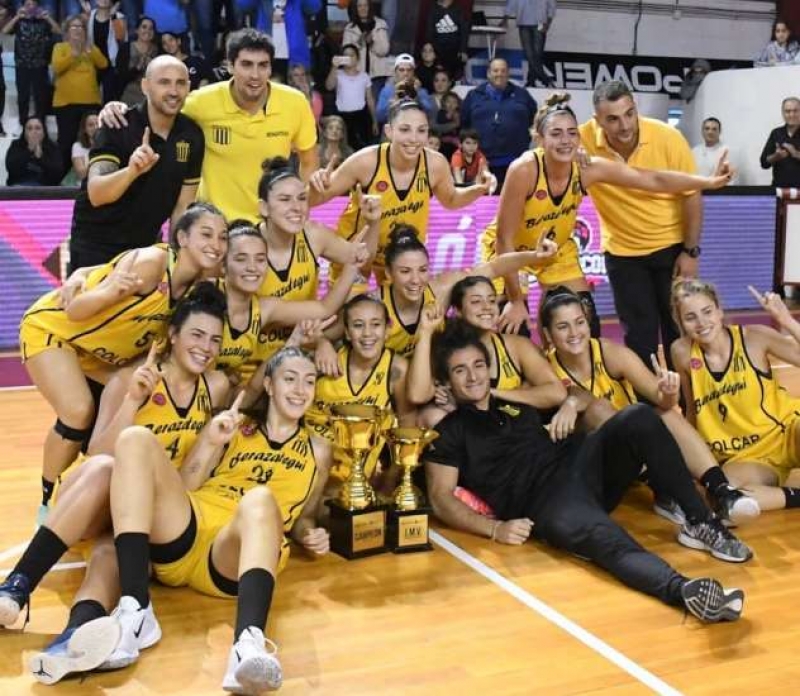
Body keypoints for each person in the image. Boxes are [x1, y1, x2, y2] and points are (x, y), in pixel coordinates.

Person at [424, 322, 750, 623]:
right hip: (547, 502)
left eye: (478, 366)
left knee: (638, 415)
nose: (472, 377)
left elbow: (576, 395)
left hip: (581, 465)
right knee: (611, 543)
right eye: (460, 371)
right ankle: (684, 591)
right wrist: (494, 529)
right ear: (446, 380)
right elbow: (440, 498)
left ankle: (701, 522)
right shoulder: (449, 431)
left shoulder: (515, 402)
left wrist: (568, 405)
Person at [0, 285, 230, 684]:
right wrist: (131, 403)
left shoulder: (218, 388)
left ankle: (47, 617)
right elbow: (98, 454)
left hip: (153, 518)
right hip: (105, 504)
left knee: (110, 549)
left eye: (214, 339)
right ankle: (36, 608)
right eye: (196, 334)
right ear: (172, 335)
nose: (205, 347)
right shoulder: (129, 379)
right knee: (107, 477)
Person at [82, 347, 330, 693]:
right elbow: (184, 486)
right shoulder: (234, 423)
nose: (300, 390)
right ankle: (136, 610)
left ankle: (247, 646)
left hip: (233, 556)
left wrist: (309, 533)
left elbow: (306, 515)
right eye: (290, 379)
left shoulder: (318, 449)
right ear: (270, 385)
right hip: (188, 531)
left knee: (259, 498)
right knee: (134, 438)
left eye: (309, 382)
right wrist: (209, 441)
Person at [19, 203, 228, 522]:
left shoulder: (196, 286)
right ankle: (48, 502)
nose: (216, 244)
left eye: (222, 237)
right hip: (54, 331)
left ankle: (94, 485)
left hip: (97, 351)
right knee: (78, 411)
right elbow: (74, 310)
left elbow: (93, 269)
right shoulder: (152, 264)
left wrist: (80, 274)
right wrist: (109, 291)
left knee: (133, 393)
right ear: (182, 237)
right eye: (206, 234)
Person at [485, 93, 733, 337]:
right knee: (513, 331)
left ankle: (558, 368)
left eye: (572, 133)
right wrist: (516, 300)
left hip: (555, 249)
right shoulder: (524, 169)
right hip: (510, 251)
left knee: (583, 326)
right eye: (556, 134)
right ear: (540, 139)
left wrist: (709, 182)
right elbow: (504, 240)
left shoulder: (587, 168)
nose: (565, 140)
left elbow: (652, 178)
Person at [540, 286, 760, 527]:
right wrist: (572, 401)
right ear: (548, 334)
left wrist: (669, 392)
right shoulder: (542, 367)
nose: (574, 332)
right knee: (601, 410)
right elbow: (578, 396)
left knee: (665, 413)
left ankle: (721, 489)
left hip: (637, 458)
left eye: (579, 322)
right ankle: (665, 488)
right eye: (563, 326)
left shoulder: (610, 353)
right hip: (592, 466)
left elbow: (661, 398)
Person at [98, 29, 320, 222]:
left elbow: (309, 161)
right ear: (230, 66)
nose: (255, 75)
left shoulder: (295, 102)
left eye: (262, 65)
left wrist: (299, 206)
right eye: (246, 65)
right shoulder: (201, 103)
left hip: (270, 224)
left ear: (271, 69)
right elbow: (158, 108)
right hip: (215, 230)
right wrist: (117, 108)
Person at [578, 80, 709, 367]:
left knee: (680, 333)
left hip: (672, 249)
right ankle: (648, 408)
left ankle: (691, 407)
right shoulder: (580, 140)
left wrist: (690, 251)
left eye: (628, 113)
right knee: (639, 339)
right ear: (596, 120)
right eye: (612, 119)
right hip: (623, 255)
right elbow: (545, 148)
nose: (624, 125)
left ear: (635, 107)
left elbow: (691, 196)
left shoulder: (668, 137)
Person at [309, 99, 496, 283]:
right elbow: (315, 198)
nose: (414, 138)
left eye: (421, 130)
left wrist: (479, 189)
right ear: (389, 131)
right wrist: (315, 184)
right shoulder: (365, 161)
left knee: (406, 311)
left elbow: (451, 199)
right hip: (356, 251)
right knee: (351, 311)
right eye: (405, 129)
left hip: (400, 255)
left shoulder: (435, 163)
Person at [672, 279, 800, 513]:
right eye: (690, 317)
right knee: (724, 497)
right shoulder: (681, 352)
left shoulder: (754, 338)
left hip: (789, 431)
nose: (701, 323)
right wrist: (691, 463)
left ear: (720, 311)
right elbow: (692, 410)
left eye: (707, 312)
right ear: (680, 322)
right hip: (747, 456)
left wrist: (786, 321)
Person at [68, 55, 203, 272]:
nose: (173, 91)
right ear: (145, 86)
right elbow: (97, 193)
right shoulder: (117, 124)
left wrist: (176, 260)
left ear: (188, 87)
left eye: (180, 83)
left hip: (144, 249)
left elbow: (182, 207)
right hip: (96, 246)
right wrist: (132, 172)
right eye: (164, 82)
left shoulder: (192, 135)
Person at [217, 219, 373, 385]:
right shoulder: (205, 299)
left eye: (260, 259)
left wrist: (351, 266)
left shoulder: (265, 307)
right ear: (222, 266)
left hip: (253, 386)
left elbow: (324, 308)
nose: (252, 267)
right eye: (241, 259)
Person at [255, 156, 379, 362]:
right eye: (285, 200)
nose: (297, 207)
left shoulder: (313, 235)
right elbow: (325, 309)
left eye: (302, 198)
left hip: (305, 342)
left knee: (358, 303)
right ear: (264, 208)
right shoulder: (246, 247)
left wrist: (372, 222)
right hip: (255, 356)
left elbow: (364, 260)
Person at [408, 276, 567, 429]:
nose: (487, 307)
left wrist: (490, 393)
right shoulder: (445, 348)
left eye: (492, 300)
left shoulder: (517, 346)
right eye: (476, 301)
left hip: (512, 430)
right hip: (469, 435)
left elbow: (556, 393)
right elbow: (417, 396)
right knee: (431, 416)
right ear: (458, 310)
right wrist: (426, 331)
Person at [305, 294, 415, 490]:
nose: (367, 333)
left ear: (388, 329)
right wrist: (320, 341)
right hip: (306, 461)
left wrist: (392, 476)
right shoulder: (325, 359)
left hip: (352, 479)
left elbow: (407, 419)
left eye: (375, 324)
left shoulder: (396, 369)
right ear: (347, 332)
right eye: (358, 325)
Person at [461, 57, 537, 190]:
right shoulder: (473, 96)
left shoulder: (522, 95)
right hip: (481, 163)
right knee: (482, 206)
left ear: (508, 73)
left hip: (516, 162)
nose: (499, 74)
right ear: (488, 73)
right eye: (495, 70)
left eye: (503, 70)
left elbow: (535, 120)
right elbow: (464, 124)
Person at [51, 14, 109, 170]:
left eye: (81, 27)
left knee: (93, 140)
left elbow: (103, 64)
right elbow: (57, 67)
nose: (77, 30)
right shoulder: (60, 48)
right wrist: (73, 54)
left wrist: (90, 51)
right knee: (66, 142)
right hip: (66, 104)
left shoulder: (90, 48)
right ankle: (62, 179)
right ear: (67, 31)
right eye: (74, 26)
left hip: (90, 103)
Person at [1, 0, 62, 128]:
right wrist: (17, 16)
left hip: (40, 65)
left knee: (40, 98)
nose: (30, 8)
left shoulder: (43, 20)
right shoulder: (19, 20)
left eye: (33, 5)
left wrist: (48, 17)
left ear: (38, 7)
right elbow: (5, 31)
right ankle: (23, 125)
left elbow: (58, 31)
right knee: (23, 97)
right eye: (27, 5)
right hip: (22, 65)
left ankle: (41, 125)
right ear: (23, 6)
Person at [325, 43, 377, 150]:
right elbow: (329, 86)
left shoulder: (364, 76)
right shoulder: (338, 74)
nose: (349, 58)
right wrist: (334, 67)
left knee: (361, 147)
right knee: (343, 148)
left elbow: (370, 99)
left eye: (352, 55)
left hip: (361, 116)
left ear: (358, 58)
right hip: (342, 117)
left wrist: (374, 121)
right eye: (346, 55)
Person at [342, 0, 392, 101]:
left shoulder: (380, 24)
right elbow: (346, 56)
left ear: (370, 7)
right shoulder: (349, 28)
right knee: (358, 105)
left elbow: (384, 50)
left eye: (365, 5)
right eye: (359, 6)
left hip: (377, 75)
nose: (363, 8)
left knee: (376, 105)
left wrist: (372, 43)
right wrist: (359, 43)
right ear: (356, 9)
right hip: (357, 75)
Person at [502, 0, 556, 88]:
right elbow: (511, 3)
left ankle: (531, 80)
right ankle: (545, 80)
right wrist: (505, 19)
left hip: (540, 23)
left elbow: (552, 5)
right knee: (529, 54)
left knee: (537, 54)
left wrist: (548, 23)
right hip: (523, 23)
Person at [375, 54, 436, 127]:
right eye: (401, 70)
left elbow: (430, 115)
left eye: (409, 70)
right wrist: (395, 98)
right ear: (395, 72)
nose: (405, 73)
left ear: (413, 72)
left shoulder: (421, 91)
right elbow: (379, 117)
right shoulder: (387, 91)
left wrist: (417, 96)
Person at [5, 115, 64, 185]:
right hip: (19, 187)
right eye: (29, 128)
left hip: (45, 189)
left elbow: (57, 174)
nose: (34, 132)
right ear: (24, 132)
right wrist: (29, 150)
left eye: (38, 128)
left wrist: (41, 158)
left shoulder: (52, 147)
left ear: (44, 132)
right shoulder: (16, 145)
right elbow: (11, 169)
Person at [760, 97, 800, 188]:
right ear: (783, 113)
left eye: (795, 111)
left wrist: (796, 154)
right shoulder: (776, 133)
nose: (791, 114)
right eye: (788, 111)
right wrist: (776, 156)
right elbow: (764, 163)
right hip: (779, 190)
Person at [118, 15, 158, 105]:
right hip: (129, 94)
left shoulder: (158, 50)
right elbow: (121, 77)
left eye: (151, 28)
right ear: (137, 30)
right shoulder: (126, 48)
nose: (147, 31)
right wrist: (137, 67)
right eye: (144, 27)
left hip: (152, 96)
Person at [425, 0, 468, 82]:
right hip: (438, 51)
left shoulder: (458, 9)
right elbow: (429, 31)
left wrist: (463, 50)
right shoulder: (433, 9)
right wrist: (431, 50)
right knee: (437, 77)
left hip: (454, 51)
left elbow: (463, 31)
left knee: (453, 78)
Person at [692, 117, 738, 183]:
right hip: (698, 190)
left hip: (718, 191)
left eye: (714, 129)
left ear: (720, 131)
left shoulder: (727, 152)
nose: (710, 132)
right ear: (702, 131)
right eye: (707, 128)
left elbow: (730, 178)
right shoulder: (695, 151)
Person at [66, 110, 98, 184]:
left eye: (98, 124)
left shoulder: (110, 144)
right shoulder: (78, 146)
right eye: (91, 125)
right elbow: (81, 175)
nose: (95, 127)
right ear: (84, 129)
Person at [287, 61, 322, 126]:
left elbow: (313, 117)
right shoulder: (286, 95)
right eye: (296, 75)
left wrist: (307, 96)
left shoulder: (316, 96)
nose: (300, 78)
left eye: (303, 74)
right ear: (291, 79)